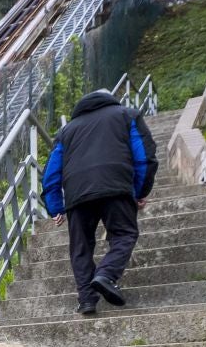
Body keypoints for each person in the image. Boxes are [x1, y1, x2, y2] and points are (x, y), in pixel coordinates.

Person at [40, 87, 158, 316]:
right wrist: (138, 191)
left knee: (81, 247)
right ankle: (106, 275)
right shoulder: (127, 115)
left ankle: (86, 300)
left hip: (77, 194)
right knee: (124, 234)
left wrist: (55, 207)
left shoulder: (67, 131)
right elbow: (144, 157)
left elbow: (51, 173)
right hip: (116, 186)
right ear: (111, 99)